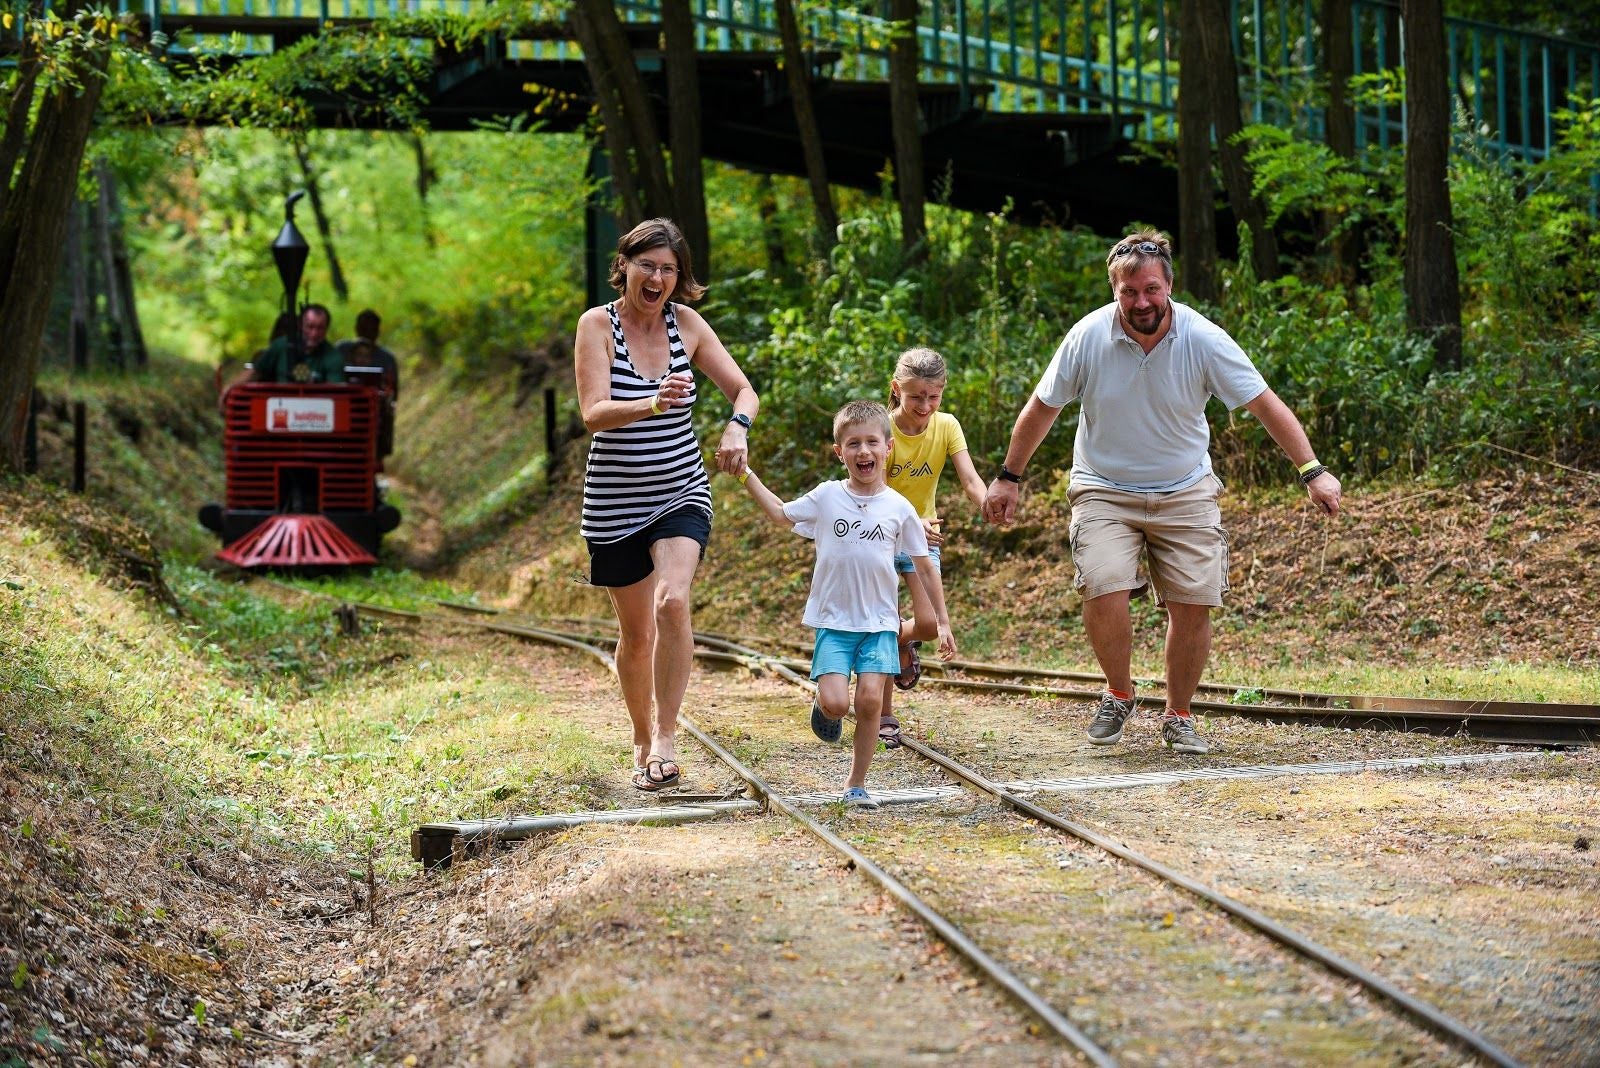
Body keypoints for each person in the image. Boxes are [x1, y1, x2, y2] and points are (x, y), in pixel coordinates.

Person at [981, 229, 1342, 755]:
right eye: (1129, 292)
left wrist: (1312, 471)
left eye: (1151, 289)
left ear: (1169, 286)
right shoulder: (1088, 337)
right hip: (1104, 487)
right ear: (1114, 291)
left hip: (1185, 488)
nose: (1141, 302)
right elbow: (1043, 408)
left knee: (1193, 601)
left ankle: (1178, 714)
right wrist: (1008, 478)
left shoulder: (1203, 339)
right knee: (1102, 583)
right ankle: (1119, 693)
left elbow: (1265, 404)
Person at [575, 218, 757, 793]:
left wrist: (737, 426)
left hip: (681, 490)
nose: (657, 278)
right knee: (637, 636)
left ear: (680, 278)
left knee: (672, 602)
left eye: (669, 269)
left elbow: (744, 390)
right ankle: (639, 735)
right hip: (614, 503)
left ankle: (666, 737)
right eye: (647, 265)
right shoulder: (597, 325)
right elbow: (593, 414)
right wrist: (651, 403)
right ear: (625, 266)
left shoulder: (688, 325)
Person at [734, 400, 938, 808]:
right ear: (839, 452)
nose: (864, 451)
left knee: (869, 702)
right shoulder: (827, 497)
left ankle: (856, 784)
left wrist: (942, 622)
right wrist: (745, 474)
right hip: (834, 621)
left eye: (872, 442)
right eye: (853, 444)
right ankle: (822, 704)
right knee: (837, 703)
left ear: (888, 448)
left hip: (880, 623)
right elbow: (780, 514)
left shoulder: (900, 508)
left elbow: (924, 566)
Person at [877, 347, 988, 748]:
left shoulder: (947, 425)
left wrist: (989, 503)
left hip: (923, 539)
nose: (925, 406)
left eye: (933, 396)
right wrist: (911, 520)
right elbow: (876, 490)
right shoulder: (881, 428)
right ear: (897, 389)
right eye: (915, 397)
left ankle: (899, 640)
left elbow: (970, 479)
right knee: (883, 624)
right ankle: (884, 715)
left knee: (925, 625)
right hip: (878, 535)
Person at [248, 304, 343, 384]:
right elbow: (254, 373)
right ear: (301, 325)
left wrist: (313, 384)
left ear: (326, 329)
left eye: (320, 328)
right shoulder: (280, 345)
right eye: (310, 327)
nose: (314, 334)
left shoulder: (333, 356)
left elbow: (335, 390)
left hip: (315, 400)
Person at [337, 308, 400, 398]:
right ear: (356, 328)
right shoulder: (342, 349)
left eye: (371, 329)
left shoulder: (386, 359)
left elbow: (392, 391)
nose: (367, 333)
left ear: (377, 331)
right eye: (364, 329)